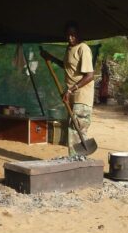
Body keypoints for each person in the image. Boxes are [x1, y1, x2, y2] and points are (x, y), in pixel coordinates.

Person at [41, 21, 95, 155]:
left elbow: (90, 75)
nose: (70, 38)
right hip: (71, 95)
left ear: (79, 34)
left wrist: (71, 89)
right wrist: (51, 58)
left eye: (73, 35)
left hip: (82, 96)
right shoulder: (69, 48)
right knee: (73, 128)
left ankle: (76, 162)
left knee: (76, 128)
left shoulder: (84, 48)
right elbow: (68, 67)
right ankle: (76, 161)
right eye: (68, 35)